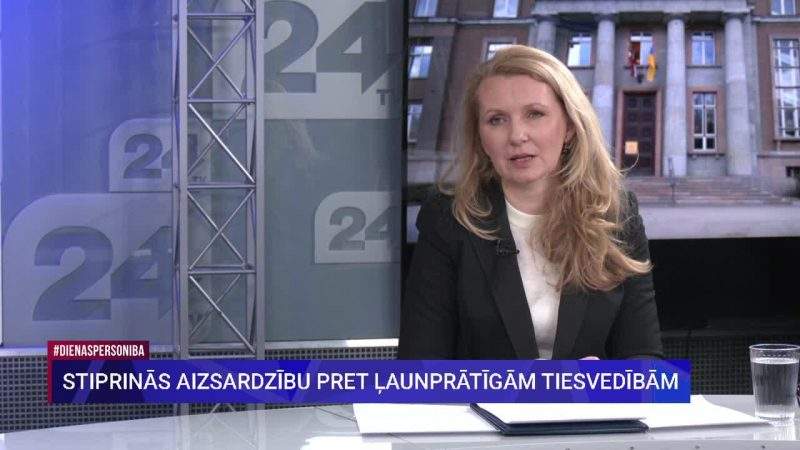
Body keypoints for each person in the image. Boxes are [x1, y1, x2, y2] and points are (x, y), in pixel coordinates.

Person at [399, 45, 662, 360]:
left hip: (588, 396)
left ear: (569, 126)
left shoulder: (616, 213)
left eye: (534, 114)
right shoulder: (448, 215)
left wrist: (601, 380)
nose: (517, 136)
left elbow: (646, 359)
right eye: (497, 120)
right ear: (480, 137)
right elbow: (419, 365)